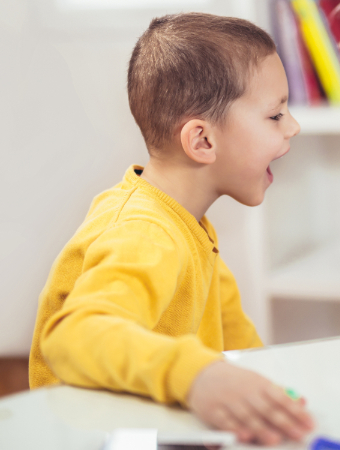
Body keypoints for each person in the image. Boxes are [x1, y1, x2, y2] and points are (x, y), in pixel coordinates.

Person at [28, 13, 313, 446]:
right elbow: (72, 337)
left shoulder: (190, 224)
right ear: (202, 141)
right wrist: (197, 375)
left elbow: (237, 342)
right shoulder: (145, 233)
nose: (293, 126)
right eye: (275, 115)